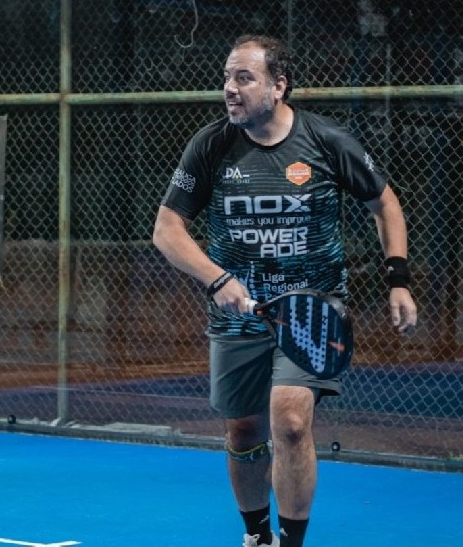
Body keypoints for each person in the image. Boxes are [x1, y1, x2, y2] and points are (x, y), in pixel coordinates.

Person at [152, 34, 417, 547]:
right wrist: (217, 279)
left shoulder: (327, 141)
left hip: (313, 313)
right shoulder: (210, 145)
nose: (230, 88)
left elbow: (384, 203)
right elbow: (167, 229)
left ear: (278, 86)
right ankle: (258, 536)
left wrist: (398, 279)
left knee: (291, 420)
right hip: (238, 318)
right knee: (244, 430)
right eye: (227, 78)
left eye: (244, 78)